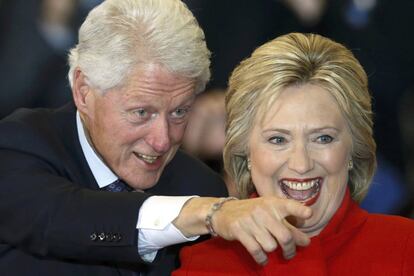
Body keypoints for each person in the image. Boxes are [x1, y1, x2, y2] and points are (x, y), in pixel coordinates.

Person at [0, 1, 314, 275]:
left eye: (179, 112)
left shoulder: (199, 186)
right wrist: (203, 213)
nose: (162, 141)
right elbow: (68, 218)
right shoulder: (18, 147)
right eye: (141, 113)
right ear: (84, 92)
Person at [173, 32, 414, 275]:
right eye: (278, 139)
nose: (301, 164)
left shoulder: (406, 248)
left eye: (323, 138)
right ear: (244, 151)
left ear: (353, 149)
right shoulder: (204, 265)